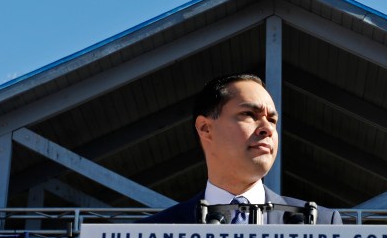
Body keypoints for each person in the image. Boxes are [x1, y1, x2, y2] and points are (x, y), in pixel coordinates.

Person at [140, 74, 343, 225]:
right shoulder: (151, 233)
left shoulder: (321, 224)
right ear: (205, 128)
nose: (267, 129)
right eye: (248, 114)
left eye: (272, 120)